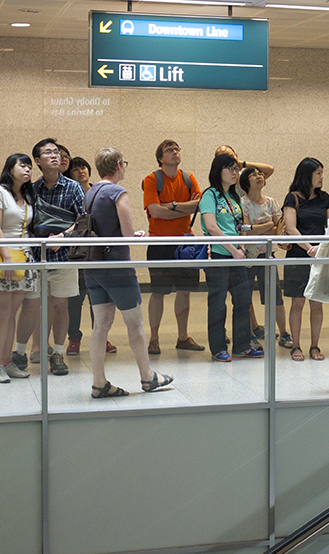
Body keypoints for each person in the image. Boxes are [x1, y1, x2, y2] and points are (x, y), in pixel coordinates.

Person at [84, 148, 173, 398]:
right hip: (118, 267)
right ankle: (147, 376)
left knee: (101, 325)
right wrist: (135, 235)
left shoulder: (90, 192)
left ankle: (99, 381)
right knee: (135, 324)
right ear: (119, 165)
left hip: (94, 269)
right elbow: (126, 234)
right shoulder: (117, 193)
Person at [12, 138, 83, 378]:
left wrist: (62, 236)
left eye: (57, 152)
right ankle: (20, 352)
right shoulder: (31, 189)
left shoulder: (73, 188)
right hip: (36, 257)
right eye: (48, 153)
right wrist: (36, 237)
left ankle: (58, 353)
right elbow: (25, 221)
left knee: (60, 305)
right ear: (38, 161)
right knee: (30, 305)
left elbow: (83, 221)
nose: (55, 156)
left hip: (65, 256)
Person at [0, 154, 38, 384]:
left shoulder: (27, 196)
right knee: (2, 313)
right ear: (9, 168)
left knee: (12, 313)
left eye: (29, 166)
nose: (27, 169)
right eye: (22, 165)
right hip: (2, 258)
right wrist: (6, 258)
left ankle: (6, 362)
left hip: (24, 258)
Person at [142, 139, 204, 354]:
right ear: (161, 158)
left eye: (177, 149)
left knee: (185, 291)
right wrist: (183, 208)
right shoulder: (151, 180)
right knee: (158, 292)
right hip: (160, 243)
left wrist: (173, 206)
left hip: (185, 244)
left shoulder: (188, 179)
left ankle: (183, 337)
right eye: (170, 150)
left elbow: (198, 206)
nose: (175, 152)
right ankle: (154, 338)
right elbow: (155, 211)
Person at [200, 154, 260, 362]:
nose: (235, 173)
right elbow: (211, 226)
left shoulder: (235, 197)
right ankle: (218, 348)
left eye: (236, 169)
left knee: (243, 301)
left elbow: (240, 224)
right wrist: (233, 249)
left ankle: (242, 345)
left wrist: (241, 244)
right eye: (231, 169)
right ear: (219, 171)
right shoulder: (210, 195)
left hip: (237, 254)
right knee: (218, 304)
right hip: (219, 255)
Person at [283, 158, 329, 361]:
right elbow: (290, 228)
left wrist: (320, 248)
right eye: (318, 173)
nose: (322, 177)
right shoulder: (293, 198)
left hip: (320, 255)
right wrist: (308, 247)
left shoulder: (325, 198)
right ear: (307, 175)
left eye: (322, 173)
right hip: (297, 255)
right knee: (297, 303)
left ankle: (314, 345)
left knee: (316, 303)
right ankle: (296, 346)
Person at [61, 156, 109, 355]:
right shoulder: (71, 193)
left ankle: (101, 338)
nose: (81, 171)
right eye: (76, 169)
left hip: (97, 251)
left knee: (98, 296)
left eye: (84, 168)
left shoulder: (98, 190)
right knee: (76, 298)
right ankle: (74, 338)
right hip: (77, 252)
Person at [240, 166, 291, 349]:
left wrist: (261, 229)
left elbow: (278, 230)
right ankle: (251, 334)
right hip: (248, 256)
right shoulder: (242, 203)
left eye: (260, 174)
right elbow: (245, 231)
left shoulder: (271, 202)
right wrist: (268, 226)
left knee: (275, 296)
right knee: (245, 297)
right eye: (253, 174)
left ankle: (284, 333)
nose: (259, 176)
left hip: (268, 255)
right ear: (246, 182)